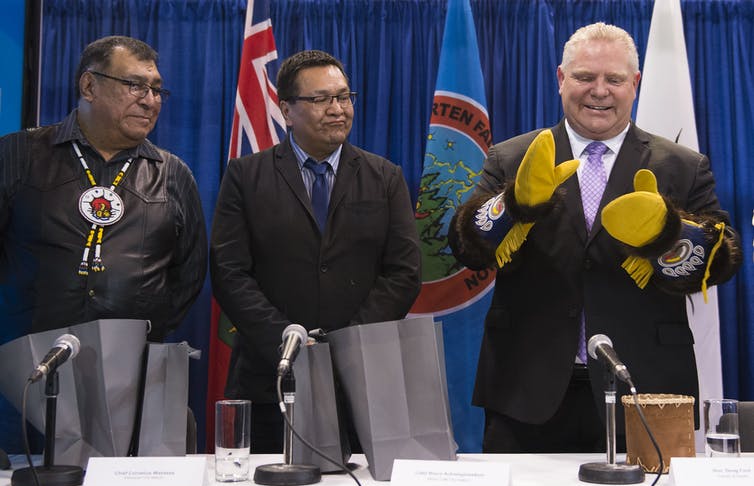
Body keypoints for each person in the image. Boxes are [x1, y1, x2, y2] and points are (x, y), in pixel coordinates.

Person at [449, 22, 741, 453]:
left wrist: (667, 233)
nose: (599, 91)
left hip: (646, 386)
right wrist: (512, 205)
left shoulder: (683, 165)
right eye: (585, 77)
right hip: (526, 387)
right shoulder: (512, 157)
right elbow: (466, 248)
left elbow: (720, 265)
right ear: (561, 79)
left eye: (614, 79)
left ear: (635, 84)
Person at [0, 36, 207, 449]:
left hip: (134, 386)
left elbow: (189, 272)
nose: (150, 100)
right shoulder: (19, 154)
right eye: (135, 86)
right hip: (23, 384)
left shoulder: (172, 173)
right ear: (89, 87)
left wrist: (142, 331)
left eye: (156, 89)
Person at [210, 50, 421, 453]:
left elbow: (404, 273)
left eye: (344, 97)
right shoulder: (246, 176)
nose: (338, 109)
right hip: (270, 375)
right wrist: (285, 340)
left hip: (361, 379)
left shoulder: (385, 177)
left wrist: (344, 343)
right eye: (321, 99)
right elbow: (229, 272)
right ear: (287, 110)